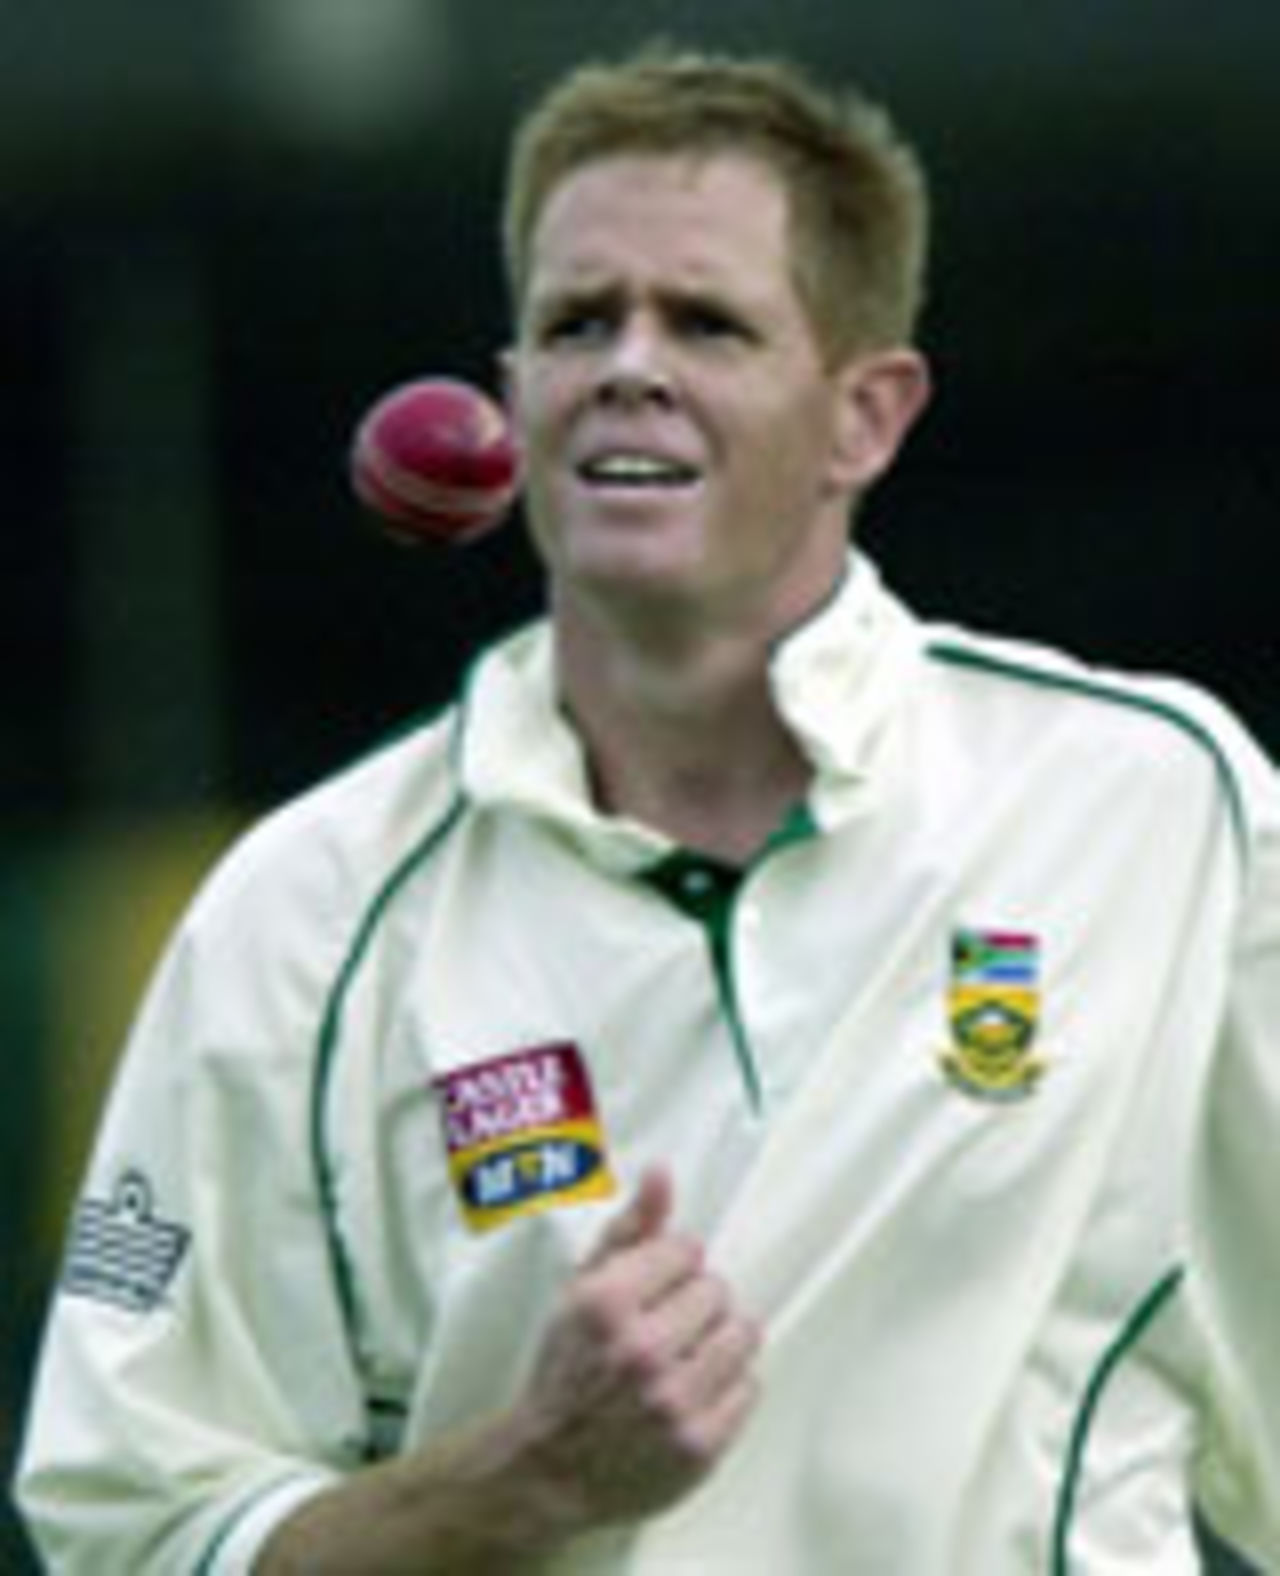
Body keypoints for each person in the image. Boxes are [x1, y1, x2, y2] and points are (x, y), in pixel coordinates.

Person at [13, 43, 1280, 1575]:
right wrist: (530, 1475)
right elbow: (127, 1533)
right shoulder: (304, 910)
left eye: (708, 322)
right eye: (574, 323)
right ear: (510, 404)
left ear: (863, 419)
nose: (627, 362)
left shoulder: (1153, 805)